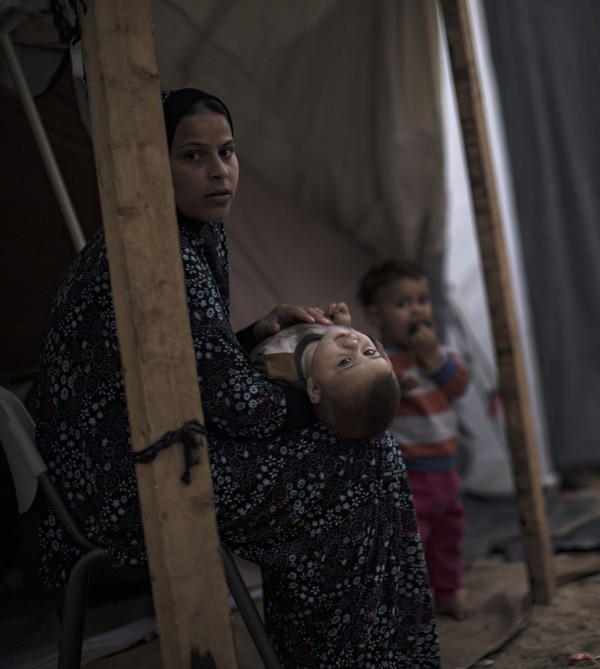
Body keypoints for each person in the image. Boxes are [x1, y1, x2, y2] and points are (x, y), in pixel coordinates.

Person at [33, 88, 440, 668]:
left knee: (358, 459)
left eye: (227, 152)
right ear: (150, 162)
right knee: (361, 460)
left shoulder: (193, 235)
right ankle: (350, 658)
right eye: (192, 156)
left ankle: (357, 655)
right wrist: (322, 390)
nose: (219, 171)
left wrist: (254, 336)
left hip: (158, 448)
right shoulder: (156, 250)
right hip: (124, 482)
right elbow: (241, 408)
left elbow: (189, 364)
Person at [358, 260, 472, 619]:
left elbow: (458, 387)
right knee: (410, 542)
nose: (418, 310)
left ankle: (448, 591)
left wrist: (434, 359)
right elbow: (367, 406)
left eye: (422, 300)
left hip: (445, 467)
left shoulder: (436, 352)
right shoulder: (378, 359)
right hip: (409, 471)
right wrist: (392, 387)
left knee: (448, 534)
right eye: (403, 304)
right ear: (376, 315)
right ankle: (407, 603)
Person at [249, 302, 401, 440]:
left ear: (314, 388)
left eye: (345, 362)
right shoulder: (355, 346)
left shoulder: (275, 366)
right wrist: (344, 326)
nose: (354, 342)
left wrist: (256, 334)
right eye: (368, 353)